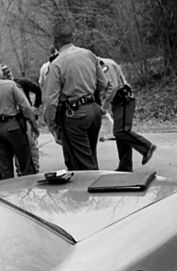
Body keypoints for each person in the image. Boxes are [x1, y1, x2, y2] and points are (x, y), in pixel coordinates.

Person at [42, 23, 108, 171]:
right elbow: (103, 83)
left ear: (56, 42)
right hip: (93, 111)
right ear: (71, 38)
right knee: (90, 156)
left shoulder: (57, 64)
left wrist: (52, 125)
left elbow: (50, 101)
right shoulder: (89, 54)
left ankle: (91, 191)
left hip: (75, 115)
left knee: (82, 165)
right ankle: (94, 189)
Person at [0, 60, 39, 179]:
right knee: (25, 164)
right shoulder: (10, 85)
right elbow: (26, 107)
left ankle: (9, 194)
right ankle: (30, 190)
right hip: (13, 127)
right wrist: (34, 126)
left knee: (5, 168)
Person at [99, 57, 157, 171]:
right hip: (118, 102)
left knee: (121, 131)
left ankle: (147, 147)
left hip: (124, 99)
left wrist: (104, 106)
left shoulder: (105, 65)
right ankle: (125, 166)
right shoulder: (99, 66)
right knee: (120, 133)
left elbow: (114, 86)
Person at [2, 64, 42, 173]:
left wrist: (36, 106)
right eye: (5, 74)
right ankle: (21, 171)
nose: (8, 74)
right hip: (14, 120)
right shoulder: (3, 88)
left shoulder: (22, 82)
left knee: (31, 144)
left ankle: (35, 169)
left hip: (26, 117)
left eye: (9, 72)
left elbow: (38, 90)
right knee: (18, 147)